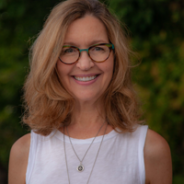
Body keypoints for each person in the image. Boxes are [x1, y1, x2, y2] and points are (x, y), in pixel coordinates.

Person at [8, 0, 172, 183]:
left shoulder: (149, 150)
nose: (85, 64)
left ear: (116, 58)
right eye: (69, 50)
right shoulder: (24, 152)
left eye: (98, 48)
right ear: (51, 61)